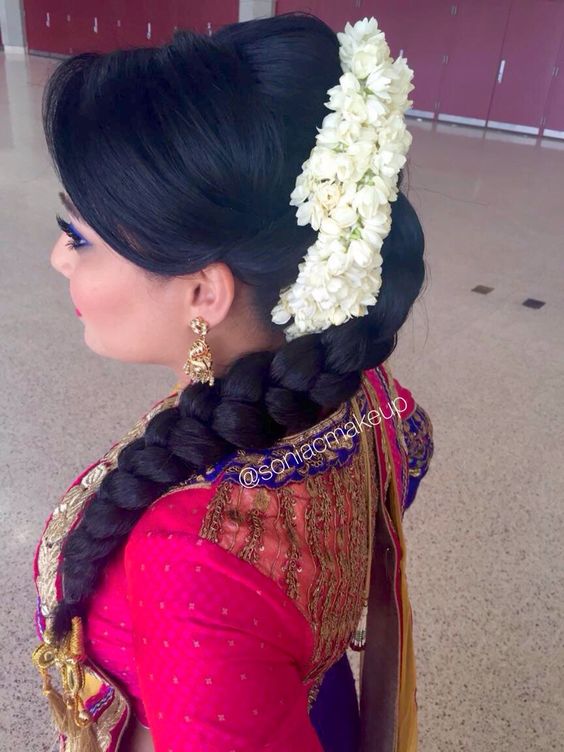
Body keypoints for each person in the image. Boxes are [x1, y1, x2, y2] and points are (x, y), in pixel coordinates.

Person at [31, 12, 434, 752]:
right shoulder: (365, 394)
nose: (60, 258)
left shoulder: (191, 560)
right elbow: (407, 460)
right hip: (312, 705)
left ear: (203, 295)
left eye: (81, 238)